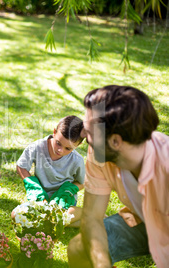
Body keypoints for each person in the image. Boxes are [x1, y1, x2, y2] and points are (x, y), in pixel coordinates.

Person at [67, 85, 169, 268]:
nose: (83, 134)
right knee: (78, 248)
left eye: (89, 132)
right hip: (141, 220)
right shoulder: (99, 153)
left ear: (115, 141)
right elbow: (91, 217)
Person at [14, 115, 85, 225]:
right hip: (40, 198)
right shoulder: (37, 147)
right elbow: (21, 166)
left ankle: (86, 213)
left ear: (79, 145)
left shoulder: (77, 160)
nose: (60, 150)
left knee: (59, 218)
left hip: (62, 201)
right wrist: (33, 186)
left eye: (68, 148)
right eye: (58, 143)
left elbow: (83, 182)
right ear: (54, 132)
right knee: (15, 215)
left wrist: (67, 190)